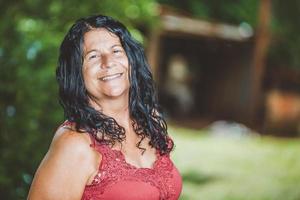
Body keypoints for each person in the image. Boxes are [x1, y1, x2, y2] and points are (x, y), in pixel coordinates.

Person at [27, 14, 182, 200]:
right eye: (93, 56)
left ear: (131, 60)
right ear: (77, 73)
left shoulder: (150, 121)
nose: (108, 62)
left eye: (116, 51)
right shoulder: (75, 143)